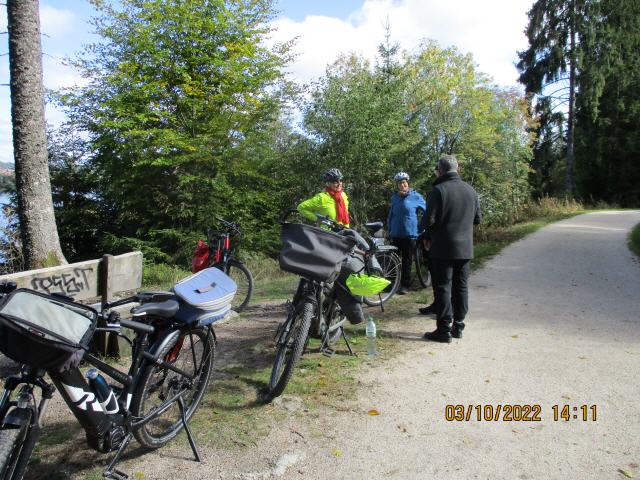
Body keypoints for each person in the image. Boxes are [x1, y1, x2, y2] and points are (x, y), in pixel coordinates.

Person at [421, 155, 481, 343]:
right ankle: (459, 326)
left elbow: (427, 221)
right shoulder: (471, 191)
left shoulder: (438, 191)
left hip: (442, 248)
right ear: (458, 168)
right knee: (461, 287)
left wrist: (428, 236)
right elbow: (477, 219)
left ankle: (444, 330)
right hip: (465, 248)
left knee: (443, 288)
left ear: (440, 170)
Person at [297, 168, 365, 325]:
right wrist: (317, 219)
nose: (338, 184)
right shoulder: (321, 198)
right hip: (326, 239)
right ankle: (313, 305)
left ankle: (338, 304)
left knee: (345, 271)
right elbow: (302, 207)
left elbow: (345, 217)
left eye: (340, 181)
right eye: (335, 181)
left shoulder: (343, 196)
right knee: (323, 274)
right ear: (328, 183)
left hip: (343, 238)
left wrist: (348, 232)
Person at [387, 171, 426, 295]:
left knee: (407, 261)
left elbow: (427, 212)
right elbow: (391, 215)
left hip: (410, 234)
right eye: (400, 183)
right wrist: (389, 229)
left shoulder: (416, 197)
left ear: (407, 183)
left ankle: (405, 285)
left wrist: (421, 228)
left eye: (404, 182)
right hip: (395, 234)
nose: (402, 185)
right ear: (397, 185)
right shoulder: (394, 197)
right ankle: (392, 283)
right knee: (393, 260)